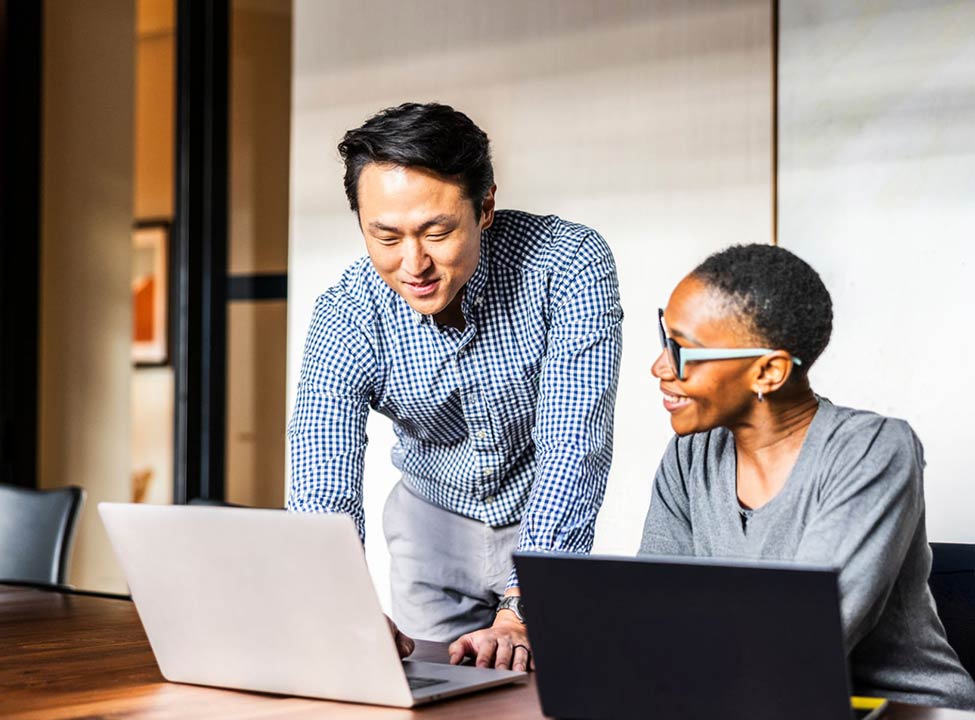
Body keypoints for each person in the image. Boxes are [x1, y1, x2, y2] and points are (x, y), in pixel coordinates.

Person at [288, 102, 623, 671]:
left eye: (437, 232)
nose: (413, 263)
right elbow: (322, 469)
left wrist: (526, 605)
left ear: (485, 205)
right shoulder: (348, 312)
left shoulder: (566, 265)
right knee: (433, 697)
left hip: (543, 517)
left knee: (541, 694)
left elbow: (574, 442)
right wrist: (339, 604)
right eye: (386, 236)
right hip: (430, 525)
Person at [641, 243, 975, 709]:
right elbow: (654, 619)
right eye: (664, 339)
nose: (659, 368)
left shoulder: (872, 450)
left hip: (901, 709)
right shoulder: (690, 456)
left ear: (769, 371)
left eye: (683, 351)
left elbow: (802, 642)